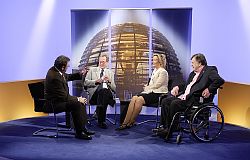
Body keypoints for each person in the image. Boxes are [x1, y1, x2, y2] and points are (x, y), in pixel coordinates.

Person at [156, 53, 225, 139]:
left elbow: (219, 80)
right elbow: (187, 86)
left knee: (174, 103)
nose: (191, 64)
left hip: (196, 100)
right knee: (165, 101)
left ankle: (170, 129)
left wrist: (209, 89)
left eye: (193, 62)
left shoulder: (209, 70)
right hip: (186, 97)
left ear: (199, 63)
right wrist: (177, 87)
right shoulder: (193, 74)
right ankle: (164, 127)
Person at [44, 55, 95, 140]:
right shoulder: (54, 77)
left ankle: (82, 128)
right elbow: (64, 97)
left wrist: (80, 74)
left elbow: (68, 77)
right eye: (67, 66)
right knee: (77, 104)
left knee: (79, 102)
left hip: (60, 100)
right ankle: (79, 133)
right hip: (54, 104)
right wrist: (78, 99)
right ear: (63, 67)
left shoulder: (57, 70)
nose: (68, 67)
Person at [117, 53, 169, 130]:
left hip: (158, 94)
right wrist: (147, 87)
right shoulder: (155, 70)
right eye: (153, 59)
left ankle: (131, 121)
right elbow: (152, 84)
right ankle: (125, 122)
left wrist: (147, 87)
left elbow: (157, 85)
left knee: (139, 100)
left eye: (154, 60)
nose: (153, 61)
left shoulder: (163, 72)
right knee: (134, 98)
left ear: (160, 61)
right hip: (150, 92)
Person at [84, 54, 116, 129]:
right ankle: (101, 121)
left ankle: (98, 114)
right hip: (95, 95)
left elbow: (114, 89)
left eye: (103, 62)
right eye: (100, 62)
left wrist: (110, 81)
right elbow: (85, 82)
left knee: (104, 91)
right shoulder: (92, 70)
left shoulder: (110, 73)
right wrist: (96, 81)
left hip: (106, 95)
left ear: (107, 63)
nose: (101, 64)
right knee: (103, 91)